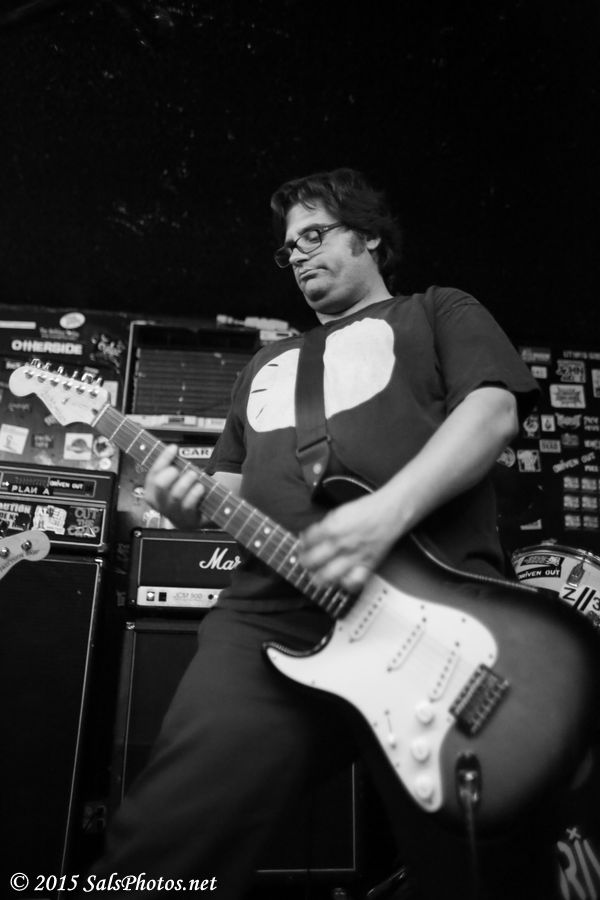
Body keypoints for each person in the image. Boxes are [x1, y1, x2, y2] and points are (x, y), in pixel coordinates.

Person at [91, 168, 566, 899]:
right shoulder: (264, 365)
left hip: (438, 617)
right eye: (290, 248)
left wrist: (387, 512)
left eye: (315, 235)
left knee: (477, 869)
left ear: (369, 236)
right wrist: (176, 496)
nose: (299, 255)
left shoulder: (438, 310)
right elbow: (225, 490)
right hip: (271, 616)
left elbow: (493, 412)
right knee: (160, 846)